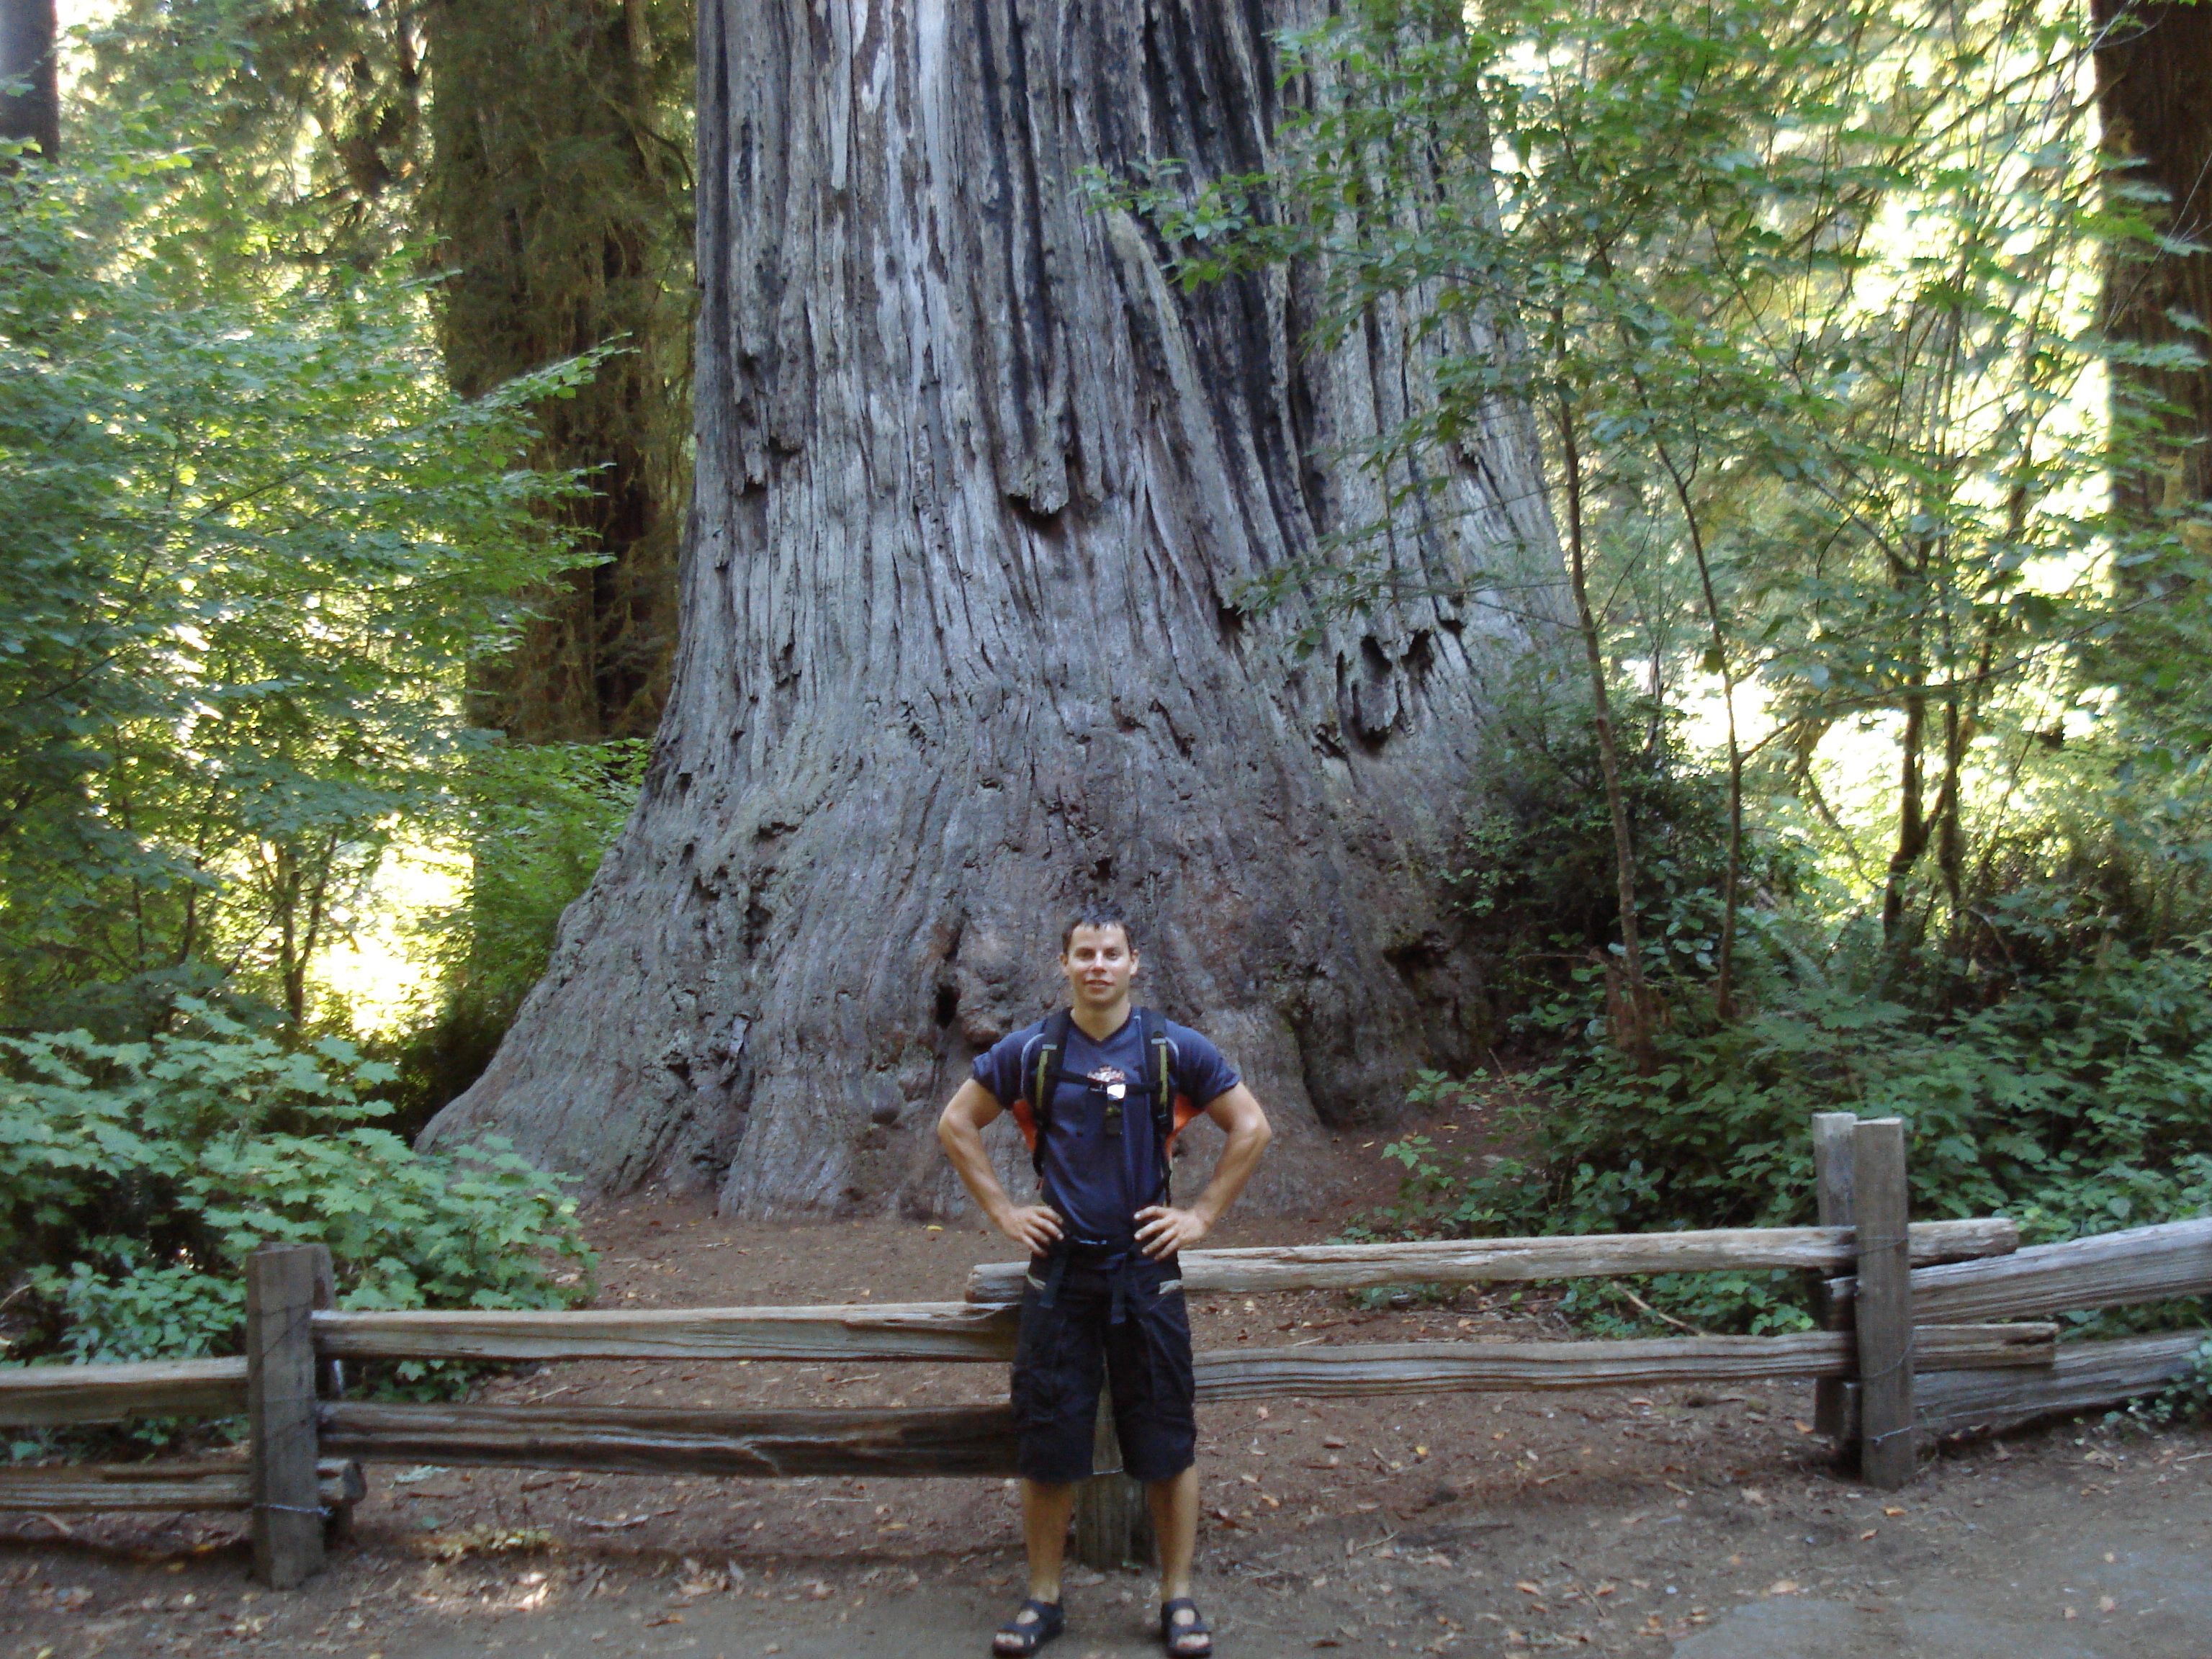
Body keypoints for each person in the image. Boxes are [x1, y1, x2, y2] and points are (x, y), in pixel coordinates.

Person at [937, 902, 1272, 1658]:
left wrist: (1202, 1215)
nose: (1097, 966)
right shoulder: (1032, 1053)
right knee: (1048, 1439)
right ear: (1064, 965)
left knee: (1166, 1440)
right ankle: (1043, 1599)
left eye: (1110, 953)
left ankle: (1177, 1599)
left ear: (1133, 962)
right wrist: (1004, 1210)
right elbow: (957, 1123)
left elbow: (1250, 1126)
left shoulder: (1168, 1049)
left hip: (1146, 1271)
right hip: (1060, 1274)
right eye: (1083, 954)